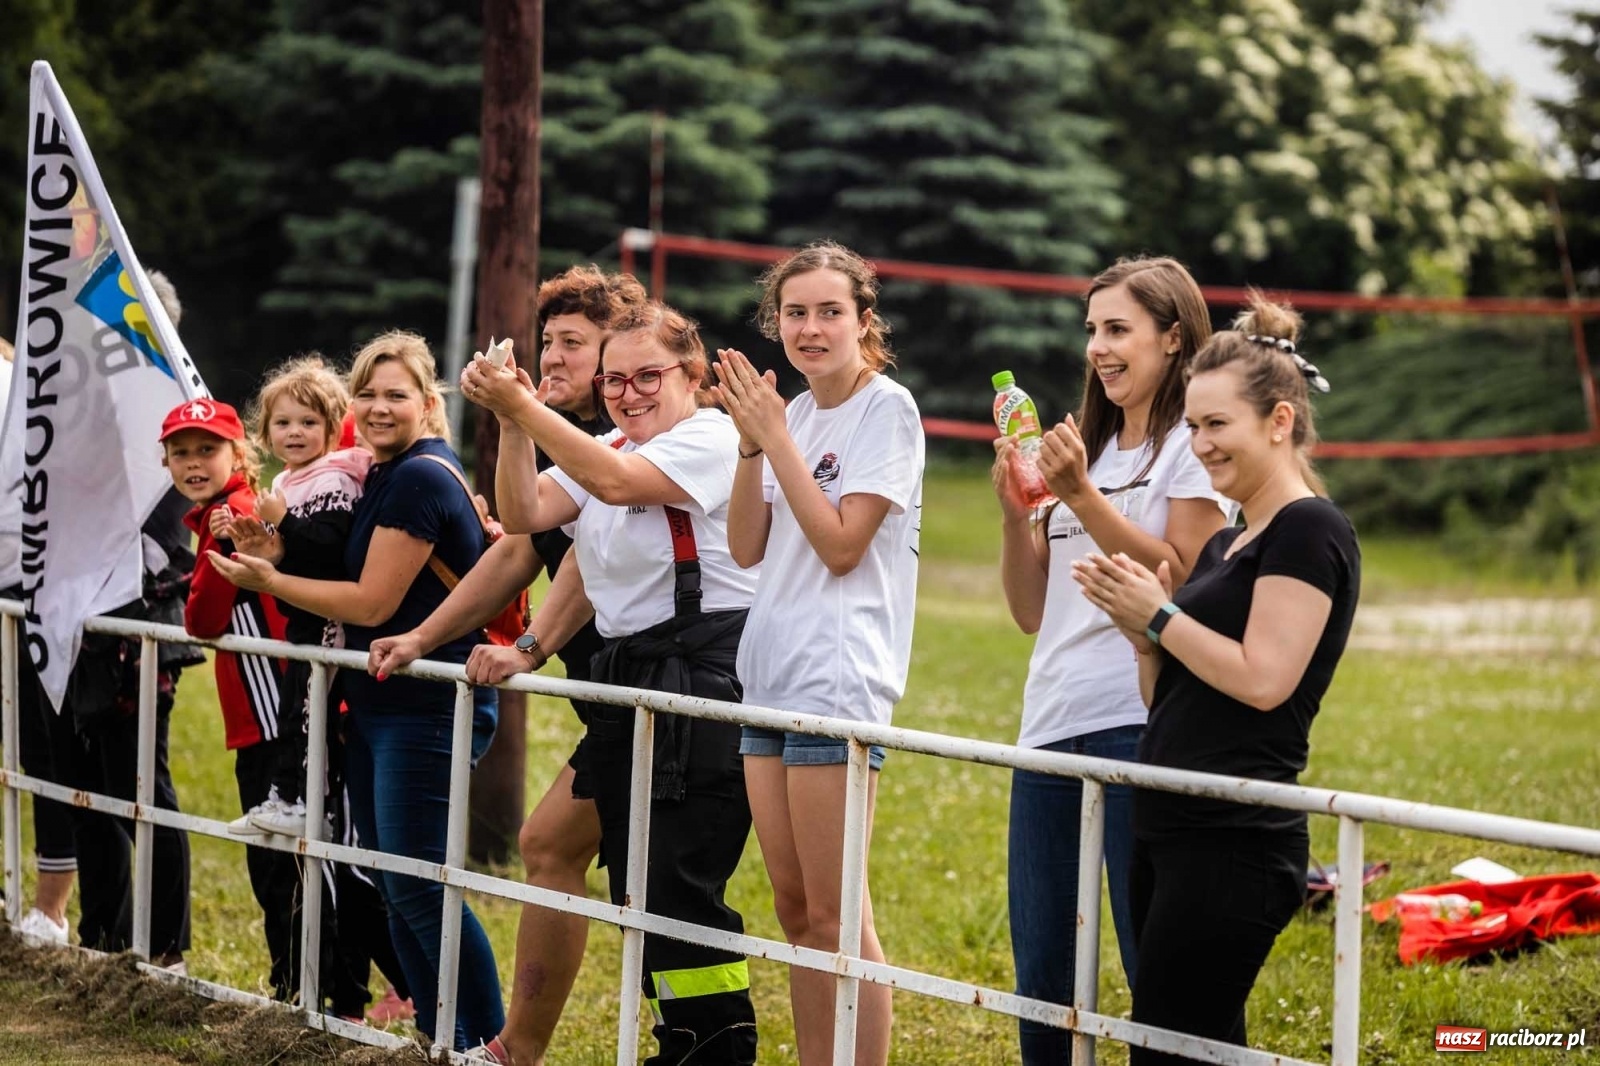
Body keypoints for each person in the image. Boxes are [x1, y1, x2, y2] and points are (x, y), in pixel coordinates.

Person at [458, 300, 760, 1065]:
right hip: (633, 677)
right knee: (631, 875)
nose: (628, 394)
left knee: (677, 883)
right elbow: (525, 511)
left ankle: (713, 1050)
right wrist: (514, 422)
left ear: (691, 373)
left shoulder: (709, 437)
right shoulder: (613, 444)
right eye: (614, 381)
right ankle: (670, 1040)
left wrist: (521, 404)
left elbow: (621, 485)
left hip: (703, 676)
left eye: (646, 376)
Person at [367, 265, 647, 1066]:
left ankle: (517, 1049)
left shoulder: (630, 444)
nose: (552, 357)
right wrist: (424, 636)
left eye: (572, 343)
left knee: (577, 856)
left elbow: (589, 560)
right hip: (610, 695)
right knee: (562, 851)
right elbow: (518, 549)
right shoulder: (573, 440)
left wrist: (528, 648)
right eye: (547, 341)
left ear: (618, 354)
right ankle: (513, 1048)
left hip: (664, 687)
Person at [1071, 295, 1359, 1063]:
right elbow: (1167, 699)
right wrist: (1143, 641)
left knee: (1168, 1046)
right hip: (1168, 820)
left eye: (1217, 425)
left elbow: (1265, 680)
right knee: (1191, 1044)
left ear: (1280, 421)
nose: (1199, 445)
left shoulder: (1310, 528)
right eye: (1193, 426)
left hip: (1235, 836)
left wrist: (1161, 617)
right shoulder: (1226, 542)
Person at [206, 332, 504, 1050]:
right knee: (395, 883)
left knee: (420, 884)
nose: (377, 407)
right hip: (379, 701)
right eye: (366, 393)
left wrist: (271, 580)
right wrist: (280, 546)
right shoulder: (383, 473)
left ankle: (490, 1045)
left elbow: (372, 601)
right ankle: (439, 1040)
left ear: (428, 402)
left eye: (395, 394)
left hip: (426, 705)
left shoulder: (417, 478)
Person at [991, 257, 1233, 1063]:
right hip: (1050, 724)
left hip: (1142, 722)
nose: (1098, 347)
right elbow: (1031, 612)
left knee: (1150, 964)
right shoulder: (1082, 448)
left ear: (1174, 338)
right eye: (1092, 329)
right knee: (1044, 976)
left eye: (1119, 329)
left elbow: (1186, 576)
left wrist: (1083, 497)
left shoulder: (1192, 446)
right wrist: (1015, 515)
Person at [713, 240, 924, 1066]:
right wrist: (751, 443)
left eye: (830, 311)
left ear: (863, 321)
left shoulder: (887, 410)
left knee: (839, 918)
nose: (810, 328)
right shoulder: (791, 414)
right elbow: (745, 546)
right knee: (797, 912)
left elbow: (841, 547)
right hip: (769, 676)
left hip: (837, 678)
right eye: (794, 313)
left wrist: (776, 439)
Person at [165, 398, 302, 998]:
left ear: (238, 454)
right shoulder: (226, 513)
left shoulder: (233, 518)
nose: (194, 463)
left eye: (207, 449)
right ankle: (298, 987)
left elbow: (201, 619)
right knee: (279, 861)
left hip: (272, 715)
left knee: (278, 864)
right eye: (181, 453)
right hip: (266, 710)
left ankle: (296, 991)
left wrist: (215, 553)